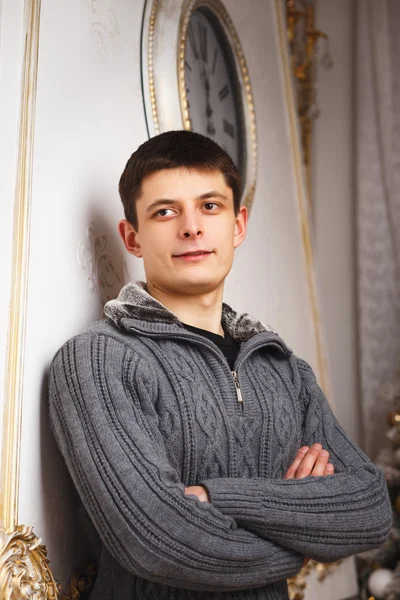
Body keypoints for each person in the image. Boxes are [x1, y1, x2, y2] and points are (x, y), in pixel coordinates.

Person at [48, 130, 392, 600]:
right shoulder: (99, 359)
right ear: (132, 237)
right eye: (165, 211)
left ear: (237, 225)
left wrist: (216, 498)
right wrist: (303, 534)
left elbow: (371, 511)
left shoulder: (283, 367)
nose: (191, 227)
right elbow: (157, 541)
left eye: (209, 206)